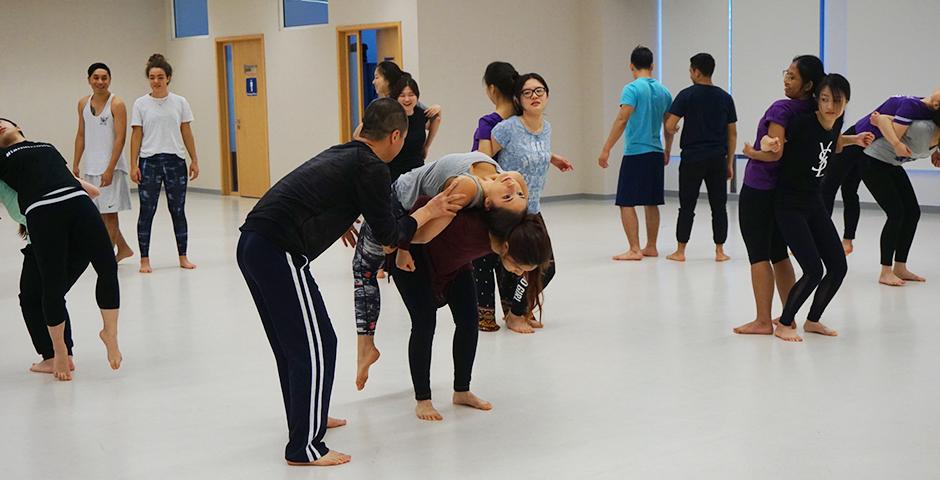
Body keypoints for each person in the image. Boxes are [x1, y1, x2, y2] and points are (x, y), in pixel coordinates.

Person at [237, 98, 464, 466]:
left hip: (256, 244)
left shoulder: (347, 153)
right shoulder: (371, 166)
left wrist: (341, 213)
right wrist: (430, 210)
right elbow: (390, 234)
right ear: (395, 136)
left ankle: (310, 417)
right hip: (276, 250)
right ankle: (304, 447)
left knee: (310, 341)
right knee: (309, 346)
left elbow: (320, 191)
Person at [353, 151, 529, 390]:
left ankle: (462, 391)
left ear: (488, 206)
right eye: (515, 194)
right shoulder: (477, 186)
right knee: (363, 269)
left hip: (418, 218)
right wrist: (400, 246)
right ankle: (365, 347)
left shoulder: (477, 195)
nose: (513, 186)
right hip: (398, 201)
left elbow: (426, 218)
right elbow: (421, 222)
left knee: (464, 319)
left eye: (512, 196)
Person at [392, 200, 552, 421]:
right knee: (424, 324)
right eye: (517, 267)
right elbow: (421, 209)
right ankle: (423, 399)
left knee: (469, 321)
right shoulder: (470, 227)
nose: (517, 273)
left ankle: (462, 390)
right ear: (506, 248)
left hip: (454, 264)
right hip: (415, 259)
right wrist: (402, 247)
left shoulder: (504, 235)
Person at [0, 118, 122, 381]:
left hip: (77, 203)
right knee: (50, 288)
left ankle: (109, 333)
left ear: (18, 127)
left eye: (2, 122)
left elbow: (75, 181)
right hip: (42, 213)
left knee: (108, 267)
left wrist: (84, 185)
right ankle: (58, 352)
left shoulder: (46, 146)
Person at [760, 74, 873, 342]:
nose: (830, 106)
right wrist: (767, 143)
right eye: (824, 100)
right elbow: (773, 140)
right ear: (816, 100)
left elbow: (832, 142)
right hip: (788, 204)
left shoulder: (837, 124)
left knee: (838, 267)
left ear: (846, 101)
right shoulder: (803, 124)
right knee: (813, 269)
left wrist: (854, 140)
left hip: (813, 202)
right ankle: (785, 324)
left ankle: (812, 321)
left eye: (837, 100)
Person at [732, 55, 823, 336]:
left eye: (793, 76)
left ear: (808, 85)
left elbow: (774, 153)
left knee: (758, 254)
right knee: (779, 254)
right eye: (787, 73)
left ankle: (761, 320)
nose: (786, 79)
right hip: (783, 192)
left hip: (760, 188)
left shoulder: (782, 108)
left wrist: (749, 153)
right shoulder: (812, 111)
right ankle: (788, 315)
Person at [479, 72, 571, 333]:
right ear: (518, 99)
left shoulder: (547, 128)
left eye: (539, 90)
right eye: (528, 92)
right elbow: (484, 160)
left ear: (547, 95)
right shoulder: (507, 128)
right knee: (519, 264)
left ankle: (517, 310)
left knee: (545, 267)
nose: (534, 96)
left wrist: (553, 158)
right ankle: (515, 314)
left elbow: (532, 149)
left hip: (533, 208)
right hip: (510, 209)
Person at [821, 90, 940, 254]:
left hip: (865, 143)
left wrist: (933, 150)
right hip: (858, 136)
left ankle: (845, 241)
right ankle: (824, 240)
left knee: (843, 190)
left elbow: (919, 133)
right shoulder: (917, 103)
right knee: (833, 189)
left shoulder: (920, 108)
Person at [598, 45, 674, 261]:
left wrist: (606, 149)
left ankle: (634, 248)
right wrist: (667, 150)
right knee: (651, 201)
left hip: (636, 153)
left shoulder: (631, 89)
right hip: (655, 152)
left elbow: (622, 119)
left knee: (626, 200)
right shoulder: (664, 91)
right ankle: (651, 246)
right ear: (652, 66)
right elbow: (669, 125)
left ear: (631, 66)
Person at [664, 53, 737, 262]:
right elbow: (732, 133)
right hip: (717, 158)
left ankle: (680, 251)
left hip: (692, 158)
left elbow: (669, 125)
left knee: (687, 205)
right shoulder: (725, 97)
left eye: (690, 70)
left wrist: (675, 127)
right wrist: (729, 162)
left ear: (696, 71)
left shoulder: (686, 95)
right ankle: (720, 251)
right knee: (719, 205)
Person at [130, 53, 200, 273]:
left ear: (168, 78)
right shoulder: (141, 104)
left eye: (160, 77)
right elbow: (136, 135)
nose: (156, 81)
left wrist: (194, 159)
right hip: (149, 162)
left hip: (175, 161)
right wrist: (134, 164)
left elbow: (186, 131)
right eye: (152, 77)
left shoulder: (180, 102)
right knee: (147, 211)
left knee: (178, 210)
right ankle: (144, 259)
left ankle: (183, 256)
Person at [860, 112, 940, 286]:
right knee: (896, 213)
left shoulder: (936, 138)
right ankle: (885, 271)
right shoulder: (922, 128)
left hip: (891, 164)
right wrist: (895, 142)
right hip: (872, 162)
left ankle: (900, 267)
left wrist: (936, 151)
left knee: (913, 212)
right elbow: (882, 119)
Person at [73, 62, 134, 263]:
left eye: (104, 78)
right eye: (96, 78)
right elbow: (81, 134)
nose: (100, 82)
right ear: (89, 80)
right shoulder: (83, 103)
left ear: (110, 79)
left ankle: (106, 258)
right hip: (91, 167)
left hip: (112, 168)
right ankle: (123, 249)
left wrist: (109, 169)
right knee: (98, 213)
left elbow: (120, 138)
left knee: (109, 214)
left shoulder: (117, 104)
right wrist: (75, 163)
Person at [386, 76, 441, 182]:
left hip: (417, 171)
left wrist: (426, 146)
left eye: (411, 95)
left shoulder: (421, 114)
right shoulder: (390, 116)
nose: (407, 99)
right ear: (396, 97)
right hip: (393, 172)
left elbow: (437, 119)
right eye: (402, 95)